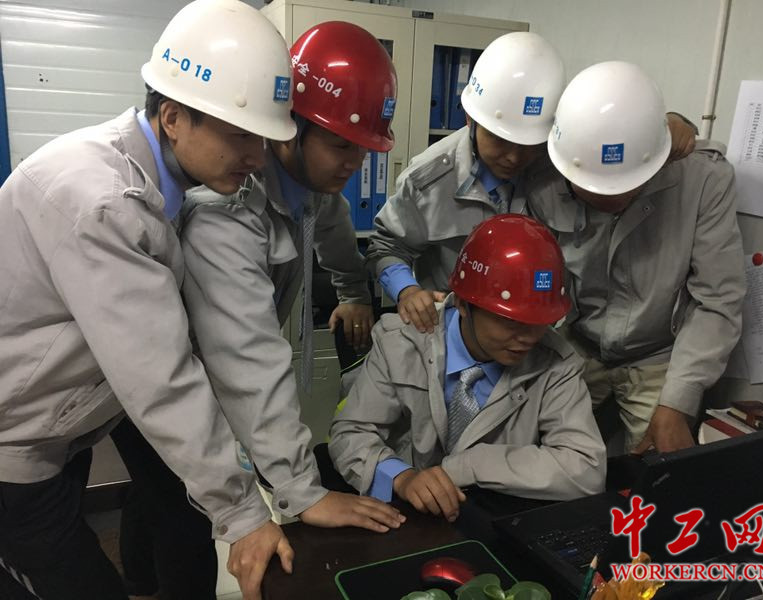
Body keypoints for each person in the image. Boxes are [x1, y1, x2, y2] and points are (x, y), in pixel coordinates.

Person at [0, 2, 299, 599]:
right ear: (173, 117)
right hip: (14, 446)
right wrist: (243, 514)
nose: (257, 157)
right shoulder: (104, 201)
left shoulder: (161, 185)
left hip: (60, 430)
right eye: (241, 135)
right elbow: (161, 377)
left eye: (264, 138)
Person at [179, 20, 405, 549]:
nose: (354, 163)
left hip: (218, 365)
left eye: (364, 148)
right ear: (288, 126)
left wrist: (354, 294)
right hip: (182, 377)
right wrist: (303, 491)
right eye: (339, 144)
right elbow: (251, 359)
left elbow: (335, 228)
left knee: (167, 510)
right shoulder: (226, 212)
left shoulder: (313, 188)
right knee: (182, 520)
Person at [366, 32, 697, 335]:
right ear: (470, 119)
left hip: (543, 333)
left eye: (529, 143)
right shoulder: (428, 181)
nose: (514, 157)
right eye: (500, 140)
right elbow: (385, 246)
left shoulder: (564, 165)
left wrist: (669, 126)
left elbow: (617, 135)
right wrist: (407, 290)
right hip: (459, 332)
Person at [528, 61, 746, 454]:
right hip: (578, 342)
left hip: (661, 356)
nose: (610, 198)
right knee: (537, 449)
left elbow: (718, 299)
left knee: (662, 467)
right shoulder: (544, 179)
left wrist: (678, 399)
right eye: (592, 188)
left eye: (625, 187)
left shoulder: (703, 180)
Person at [329, 215, 606, 522]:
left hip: (493, 515)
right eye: (510, 321)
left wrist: (469, 465)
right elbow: (349, 434)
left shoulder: (555, 362)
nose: (528, 338)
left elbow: (586, 468)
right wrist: (402, 477)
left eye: (540, 321)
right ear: (462, 304)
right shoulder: (401, 342)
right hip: (406, 516)